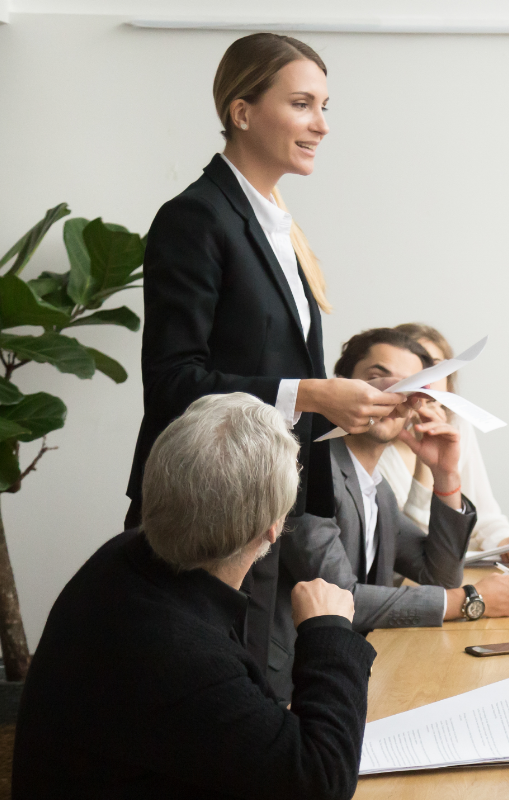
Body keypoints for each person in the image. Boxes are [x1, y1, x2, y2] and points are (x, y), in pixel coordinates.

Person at [127, 33, 406, 668]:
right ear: (242, 111)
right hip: (207, 514)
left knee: (259, 694)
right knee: (203, 699)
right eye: (303, 104)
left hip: (271, 508)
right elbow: (173, 381)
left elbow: (279, 365)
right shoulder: (195, 218)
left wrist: (347, 408)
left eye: (326, 106)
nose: (322, 125)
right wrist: (313, 394)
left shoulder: (280, 228)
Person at [13, 394, 373, 799]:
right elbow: (320, 783)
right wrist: (326, 631)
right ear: (275, 525)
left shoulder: (122, 560)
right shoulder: (178, 651)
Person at [269, 328, 509, 701]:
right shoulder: (308, 472)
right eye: (377, 378)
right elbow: (341, 597)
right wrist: (470, 600)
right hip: (290, 688)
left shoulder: (376, 489)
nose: (392, 396)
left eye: (409, 386)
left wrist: (446, 475)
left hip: (352, 673)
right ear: (342, 387)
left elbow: (439, 575)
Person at [379, 322, 509, 565]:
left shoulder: (457, 425)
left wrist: (504, 539)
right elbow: (411, 543)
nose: (428, 382)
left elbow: (481, 511)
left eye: (437, 369)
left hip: (451, 569)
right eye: (420, 371)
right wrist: (425, 465)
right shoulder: (377, 442)